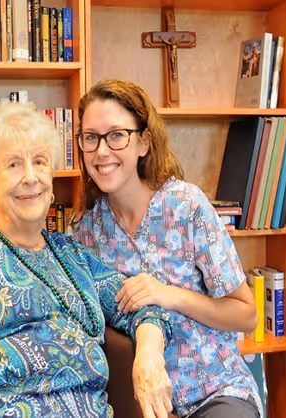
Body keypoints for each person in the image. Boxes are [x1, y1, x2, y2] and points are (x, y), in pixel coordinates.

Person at [0, 102, 174, 418]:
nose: (29, 177)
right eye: (12, 165)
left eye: (39, 162)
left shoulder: (71, 254)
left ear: (51, 183)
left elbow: (144, 305)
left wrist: (149, 354)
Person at [70, 79, 262, 418]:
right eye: (91, 138)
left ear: (143, 142)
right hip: (141, 403)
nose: (101, 151)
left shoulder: (186, 206)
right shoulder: (86, 229)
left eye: (116, 135)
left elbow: (246, 315)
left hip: (217, 392)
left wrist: (168, 294)